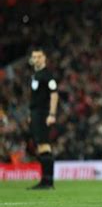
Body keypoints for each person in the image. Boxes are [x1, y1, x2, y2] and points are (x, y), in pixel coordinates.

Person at [28, 48, 59, 190]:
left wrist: (52, 114)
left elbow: (54, 94)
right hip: (35, 113)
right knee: (40, 146)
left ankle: (48, 181)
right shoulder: (36, 75)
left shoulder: (47, 75)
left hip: (43, 114)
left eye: (39, 56)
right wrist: (31, 114)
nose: (36, 59)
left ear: (44, 58)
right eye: (34, 57)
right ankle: (45, 181)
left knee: (44, 145)